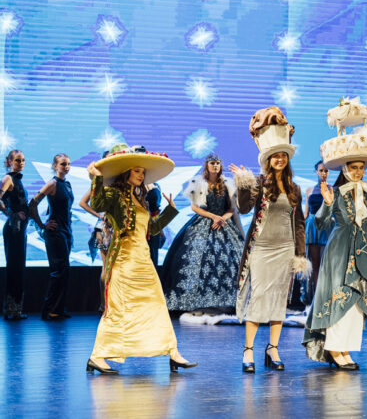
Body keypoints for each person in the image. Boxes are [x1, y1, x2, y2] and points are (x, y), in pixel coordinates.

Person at [85, 144, 196, 375]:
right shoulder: (115, 194)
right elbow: (96, 204)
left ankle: (173, 352)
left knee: (157, 305)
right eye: (137, 171)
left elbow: (151, 229)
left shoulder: (139, 198)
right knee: (118, 309)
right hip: (124, 261)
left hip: (143, 260)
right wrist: (96, 178)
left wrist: (170, 210)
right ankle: (97, 356)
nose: (141, 175)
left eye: (143, 172)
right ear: (126, 172)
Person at [229, 107, 309, 373]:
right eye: (275, 155)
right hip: (262, 249)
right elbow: (243, 208)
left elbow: (299, 224)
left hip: (286, 249)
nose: (280, 159)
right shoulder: (259, 183)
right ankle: (248, 350)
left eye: (283, 155)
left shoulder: (295, 188)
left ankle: (273, 348)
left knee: (279, 300)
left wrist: (300, 255)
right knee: (259, 297)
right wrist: (243, 183)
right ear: (268, 159)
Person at [302, 123, 367, 369]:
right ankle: (335, 349)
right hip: (339, 252)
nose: (358, 172)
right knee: (339, 298)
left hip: (362, 255)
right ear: (345, 168)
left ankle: (346, 349)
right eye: (353, 167)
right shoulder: (335, 192)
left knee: (355, 302)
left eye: (361, 167)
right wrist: (327, 204)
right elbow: (320, 223)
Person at [162, 153, 244, 318]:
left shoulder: (227, 184)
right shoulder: (197, 182)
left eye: (218, 163)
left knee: (229, 260)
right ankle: (194, 301)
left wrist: (222, 219)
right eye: (212, 163)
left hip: (223, 223)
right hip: (204, 222)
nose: (215, 166)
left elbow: (231, 208)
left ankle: (226, 302)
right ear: (206, 165)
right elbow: (194, 207)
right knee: (194, 258)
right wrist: (213, 217)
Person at [29, 153, 74, 321]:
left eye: (68, 164)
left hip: (66, 232)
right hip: (55, 233)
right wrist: (42, 225)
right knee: (58, 272)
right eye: (63, 164)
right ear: (55, 166)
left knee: (64, 272)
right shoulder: (52, 183)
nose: (66, 167)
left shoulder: (67, 184)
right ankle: (48, 310)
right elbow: (33, 203)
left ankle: (58, 309)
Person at [0, 150, 29, 320]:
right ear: (10, 162)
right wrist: (11, 214)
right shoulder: (8, 178)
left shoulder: (17, 180)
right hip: (13, 229)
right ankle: (11, 309)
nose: (21, 163)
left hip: (20, 229)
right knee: (14, 269)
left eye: (23, 160)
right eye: (17, 160)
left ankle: (15, 309)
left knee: (18, 269)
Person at [302, 161, 332, 305]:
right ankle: (315, 297)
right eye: (321, 170)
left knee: (325, 264)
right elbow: (306, 213)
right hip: (312, 226)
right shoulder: (309, 190)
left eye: (326, 171)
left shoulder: (332, 189)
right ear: (316, 172)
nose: (324, 173)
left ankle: (324, 296)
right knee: (315, 265)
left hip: (326, 226)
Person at [80, 188, 111, 313]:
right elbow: (82, 203)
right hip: (106, 229)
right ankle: (105, 304)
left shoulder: (100, 184)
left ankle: (104, 304)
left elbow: (82, 202)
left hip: (101, 229)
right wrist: (99, 215)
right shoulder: (108, 184)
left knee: (106, 267)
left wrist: (99, 215)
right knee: (108, 266)